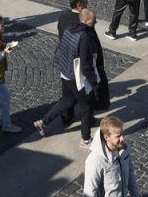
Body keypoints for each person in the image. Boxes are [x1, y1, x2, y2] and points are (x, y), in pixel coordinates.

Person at [35, 8, 102, 148]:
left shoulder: (70, 29)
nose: (96, 21)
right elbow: (85, 64)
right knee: (86, 107)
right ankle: (85, 140)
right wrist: (94, 82)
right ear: (86, 20)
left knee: (67, 101)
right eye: (93, 20)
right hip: (76, 77)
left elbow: (61, 49)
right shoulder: (85, 37)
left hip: (65, 72)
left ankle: (43, 122)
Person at [83, 115, 140, 197]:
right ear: (106, 137)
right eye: (118, 136)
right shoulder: (95, 160)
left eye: (122, 134)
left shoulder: (124, 149)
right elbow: (90, 192)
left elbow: (131, 176)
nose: (122, 139)